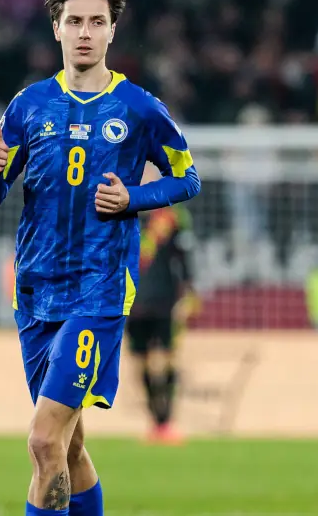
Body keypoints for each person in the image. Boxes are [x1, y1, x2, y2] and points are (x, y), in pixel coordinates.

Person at [0, 0, 201, 516]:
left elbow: (188, 177)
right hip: (35, 292)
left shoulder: (139, 107)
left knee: (43, 441)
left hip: (98, 292)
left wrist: (134, 199)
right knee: (70, 446)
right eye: (74, 21)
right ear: (56, 28)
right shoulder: (29, 106)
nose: (84, 32)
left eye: (96, 22)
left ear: (112, 31)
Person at [127, 165, 199, 444]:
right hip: (132, 301)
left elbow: (185, 258)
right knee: (140, 361)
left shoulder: (171, 216)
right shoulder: (120, 213)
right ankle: (155, 421)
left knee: (168, 358)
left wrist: (189, 294)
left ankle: (167, 420)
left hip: (165, 299)